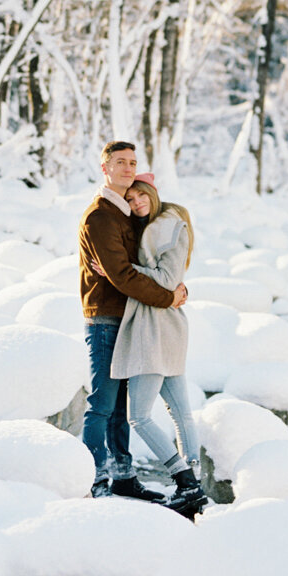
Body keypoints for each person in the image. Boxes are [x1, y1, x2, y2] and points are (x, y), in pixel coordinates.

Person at [79, 141, 188, 500]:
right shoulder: (100, 216)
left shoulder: (128, 212)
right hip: (107, 318)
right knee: (102, 404)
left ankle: (122, 476)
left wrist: (173, 284)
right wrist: (169, 298)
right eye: (120, 162)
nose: (127, 168)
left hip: (131, 319)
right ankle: (94, 479)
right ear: (105, 167)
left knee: (122, 409)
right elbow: (123, 276)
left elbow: (155, 266)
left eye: (133, 163)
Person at [110, 175, 205, 518]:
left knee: (138, 417)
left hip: (156, 329)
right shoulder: (157, 227)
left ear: (153, 193)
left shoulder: (167, 228)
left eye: (140, 196)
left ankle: (184, 480)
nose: (136, 203)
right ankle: (194, 485)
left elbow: (166, 281)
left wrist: (118, 271)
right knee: (181, 414)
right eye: (131, 199)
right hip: (167, 327)